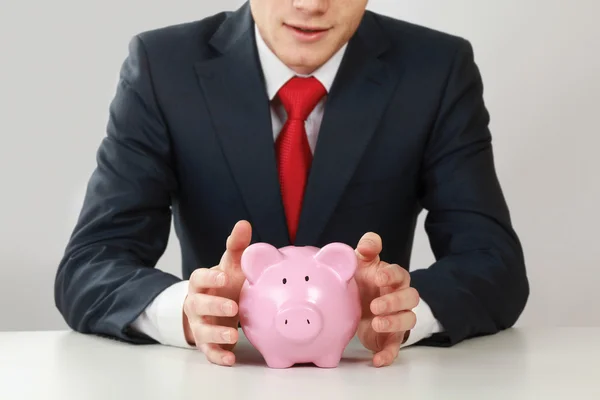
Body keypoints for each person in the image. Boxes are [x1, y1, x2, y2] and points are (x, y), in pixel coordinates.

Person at [54, 0, 529, 368]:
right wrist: (188, 311)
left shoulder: (437, 69)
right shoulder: (162, 67)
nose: (310, 4)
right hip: (218, 379)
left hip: (370, 379)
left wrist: (398, 312)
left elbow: (494, 263)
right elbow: (90, 265)